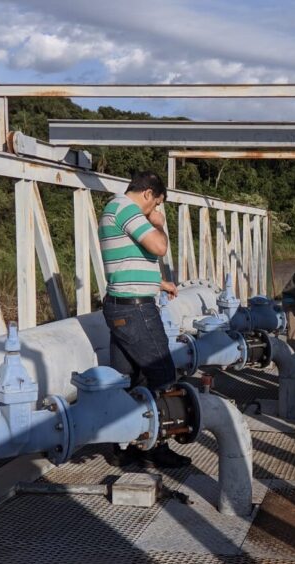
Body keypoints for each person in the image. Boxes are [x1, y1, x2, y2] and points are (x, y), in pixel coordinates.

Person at [99, 170, 190, 468]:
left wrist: (158, 282)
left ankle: (123, 445)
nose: (155, 210)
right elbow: (159, 247)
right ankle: (157, 446)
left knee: (126, 379)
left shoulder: (115, 210)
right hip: (135, 309)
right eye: (157, 203)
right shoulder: (127, 209)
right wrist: (159, 225)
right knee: (161, 373)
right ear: (148, 193)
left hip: (120, 304)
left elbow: (126, 261)